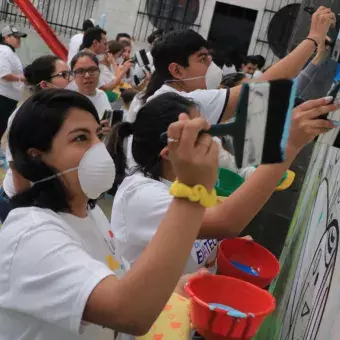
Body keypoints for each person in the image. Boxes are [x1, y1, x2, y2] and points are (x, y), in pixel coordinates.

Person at [0, 88, 218, 339]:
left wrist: (174, 288)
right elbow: (130, 312)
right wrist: (192, 191)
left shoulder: (90, 214)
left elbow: (122, 283)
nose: (98, 149)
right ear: (38, 159)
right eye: (80, 138)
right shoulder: (30, 236)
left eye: (97, 135)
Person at [108, 91, 337, 274]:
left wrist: (220, 249)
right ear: (168, 153)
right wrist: (288, 148)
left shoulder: (189, 183)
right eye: (202, 134)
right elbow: (225, 221)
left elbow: (195, 236)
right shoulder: (141, 196)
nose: (213, 140)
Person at [134, 6, 335, 126]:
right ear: (177, 70)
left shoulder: (168, 98)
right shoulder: (183, 101)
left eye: (209, 58)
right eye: (202, 59)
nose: (211, 65)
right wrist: (313, 38)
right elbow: (263, 87)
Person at [0, 55, 72, 222]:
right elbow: (19, 170)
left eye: (70, 73)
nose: (70, 80)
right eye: (63, 75)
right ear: (45, 85)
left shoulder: (58, 110)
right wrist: (27, 213)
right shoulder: (24, 118)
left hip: (42, 198)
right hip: (20, 201)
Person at [0, 25, 27, 141]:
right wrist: (23, 78)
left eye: (19, 37)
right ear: (6, 37)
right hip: (3, 97)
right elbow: (4, 75)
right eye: (16, 37)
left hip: (9, 97)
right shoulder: (3, 51)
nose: (19, 39)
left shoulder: (10, 52)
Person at [71, 51, 111, 119]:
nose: (87, 76)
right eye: (80, 71)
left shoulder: (102, 94)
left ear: (99, 72)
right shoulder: (71, 103)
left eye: (92, 70)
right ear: (73, 75)